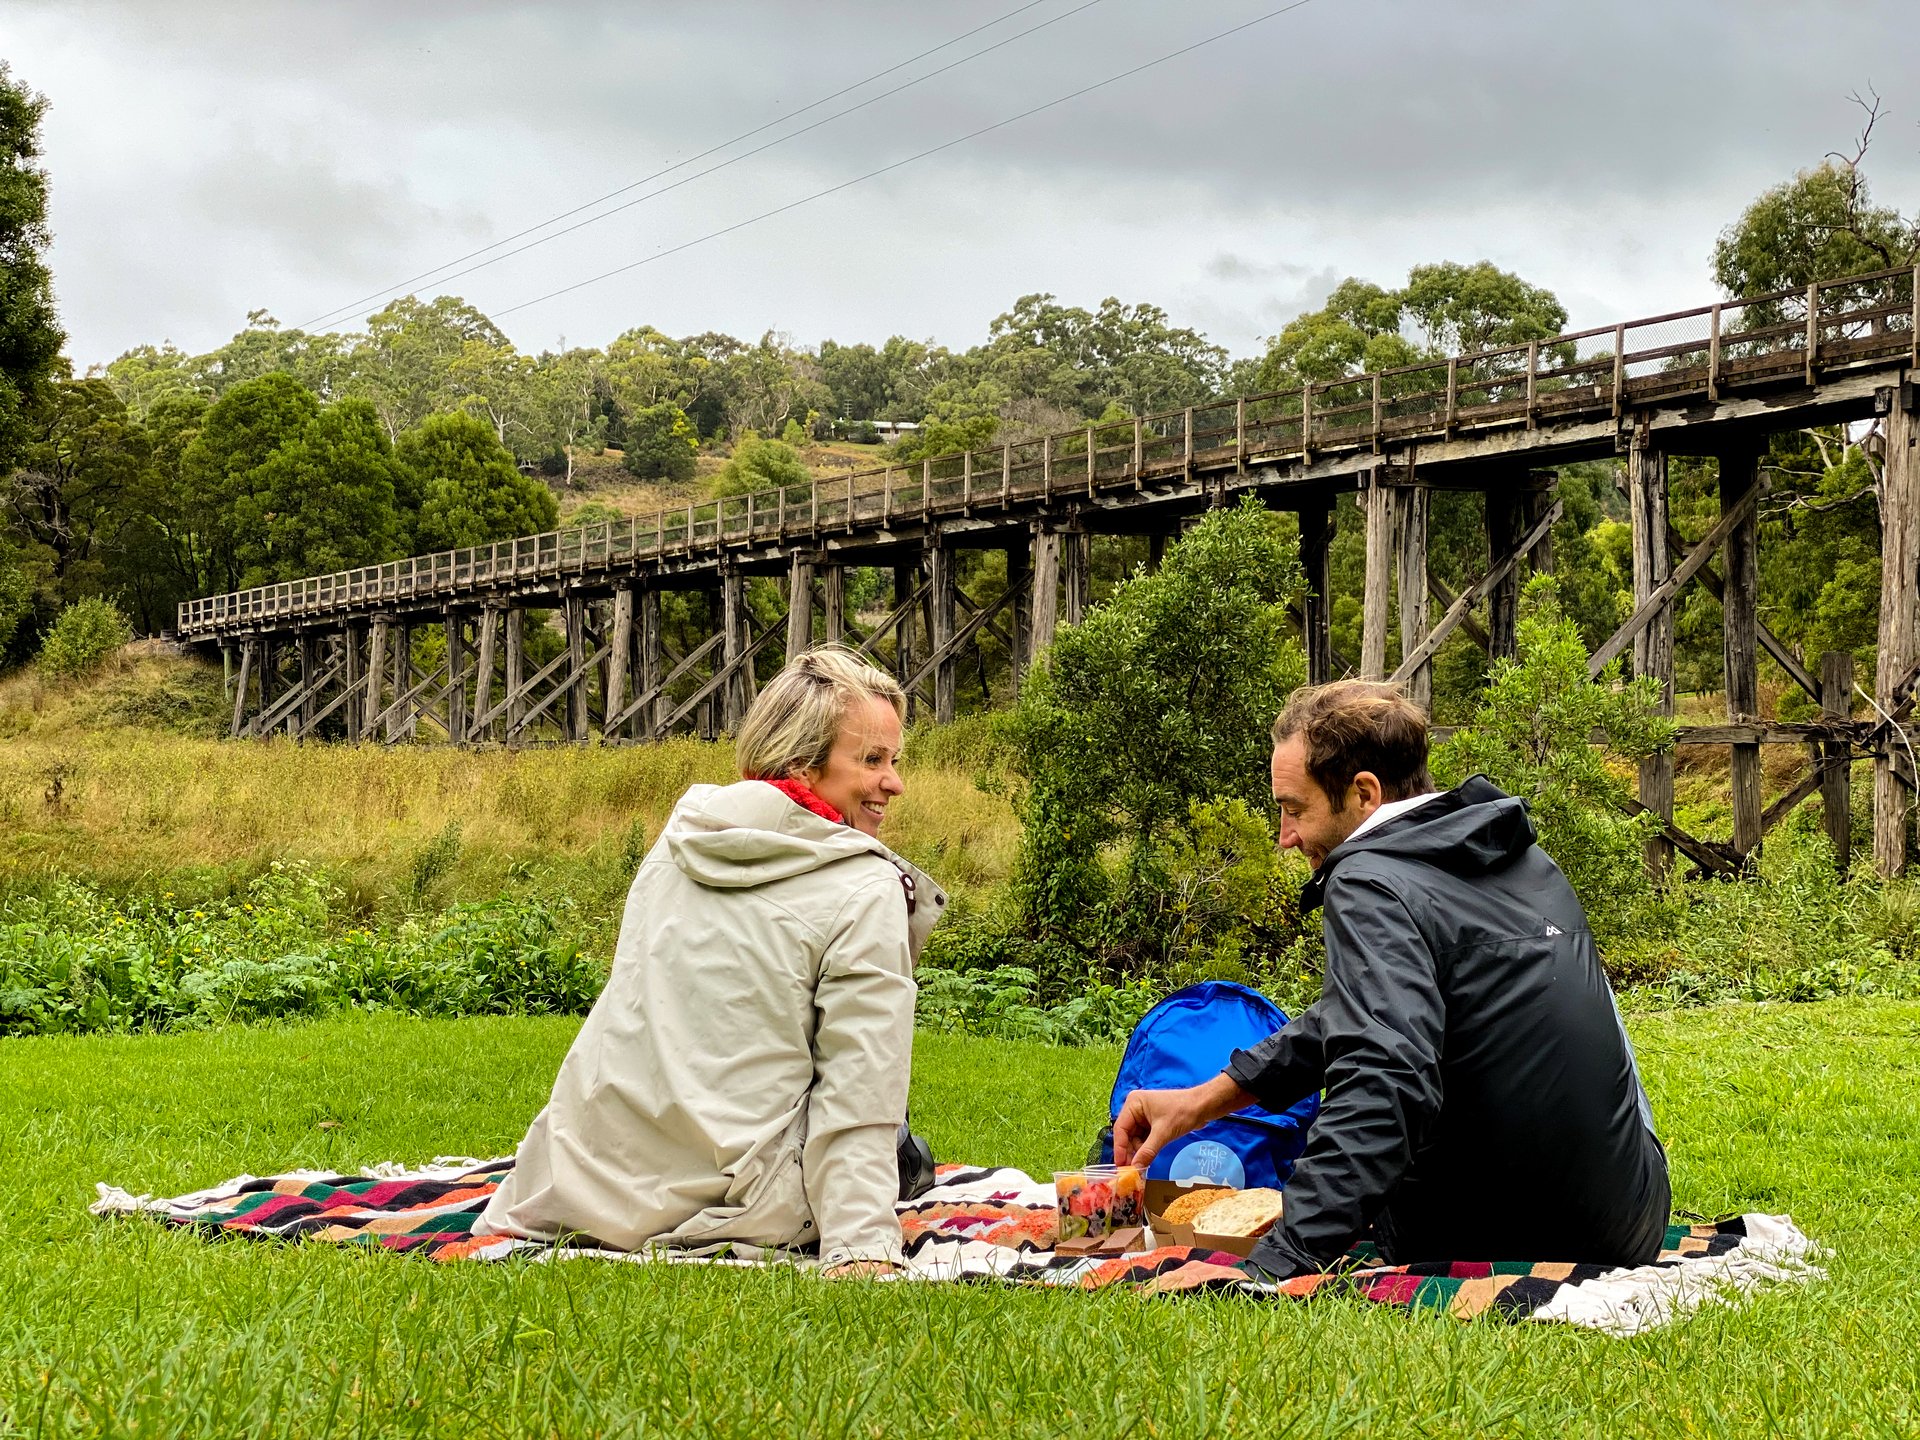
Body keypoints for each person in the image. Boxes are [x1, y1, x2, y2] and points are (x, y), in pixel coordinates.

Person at [1115, 680, 1670, 1278]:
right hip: (1629, 1221)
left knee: (1388, 1064)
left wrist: (1284, 1257)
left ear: (1363, 793)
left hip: (1482, 1238)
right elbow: (1370, 1014)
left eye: (1294, 808)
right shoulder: (1514, 854)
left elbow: (1385, 1077)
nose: (1285, 836)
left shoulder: (1367, 880)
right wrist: (1205, 1100)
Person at [477, 646, 945, 1277]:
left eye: (894, 759)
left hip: (586, 1183)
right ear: (804, 764)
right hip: (739, 1202)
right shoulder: (866, 888)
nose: (895, 781)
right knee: (904, 1154)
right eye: (871, 760)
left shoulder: (678, 841)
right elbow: (860, 1084)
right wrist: (862, 1247)